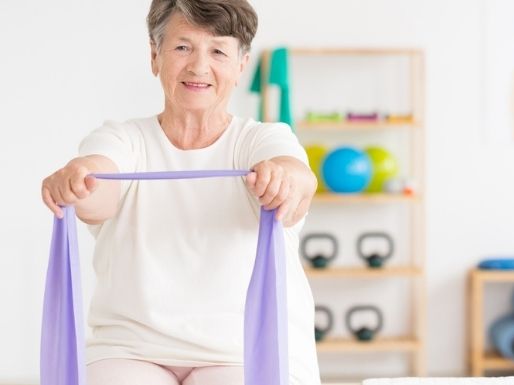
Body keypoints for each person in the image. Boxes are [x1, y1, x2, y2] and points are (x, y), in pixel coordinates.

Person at [40, 1, 320, 384]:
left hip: (242, 350)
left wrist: (283, 181)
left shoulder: (264, 140)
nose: (199, 67)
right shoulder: (124, 139)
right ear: (155, 56)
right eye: (182, 47)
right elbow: (96, 192)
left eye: (218, 51)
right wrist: (77, 181)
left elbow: (298, 182)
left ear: (241, 65)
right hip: (131, 349)